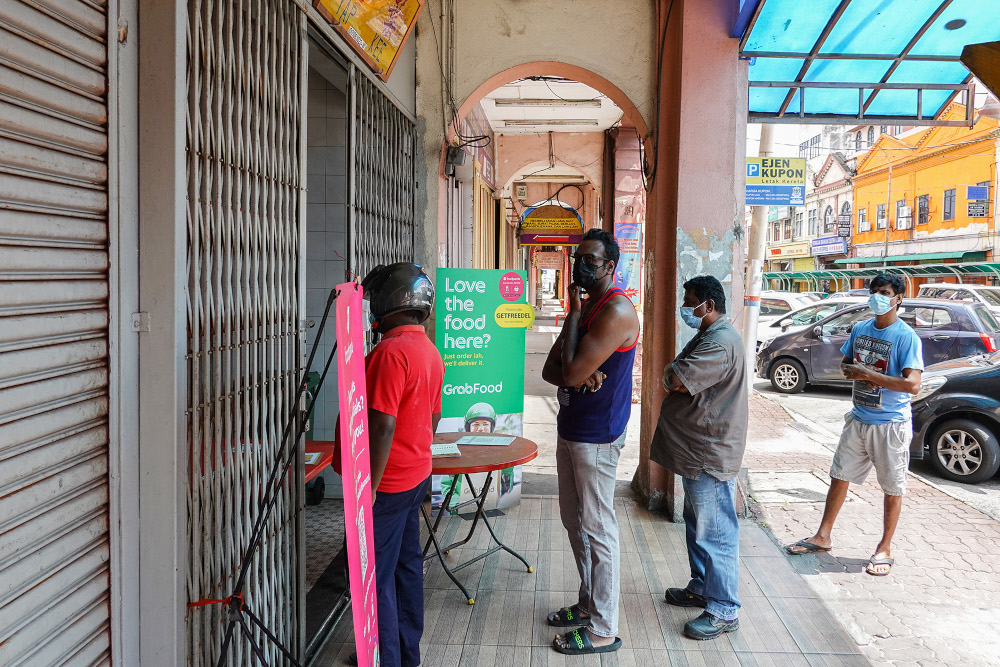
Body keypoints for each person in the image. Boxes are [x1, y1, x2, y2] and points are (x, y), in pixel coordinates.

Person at [542, 228, 640, 656]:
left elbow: (570, 373)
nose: (582, 265)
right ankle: (587, 604)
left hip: (598, 435)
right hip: (571, 426)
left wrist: (579, 366)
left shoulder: (616, 309)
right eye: (577, 257)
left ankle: (602, 629)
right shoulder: (586, 307)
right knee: (573, 522)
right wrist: (574, 319)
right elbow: (553, 372)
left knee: (599, 529)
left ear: (610, 267)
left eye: (591, 260)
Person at [785, 274, 922, 577]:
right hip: (858, 419)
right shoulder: (861, 328)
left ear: (898, 298)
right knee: (839, 476)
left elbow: (913, 385)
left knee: (892, 487)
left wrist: (869, 375)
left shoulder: (905, 336)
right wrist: (850, 370)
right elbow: (846, 362)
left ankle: (884, 548)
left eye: (885, 292)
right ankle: (823, 536)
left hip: (890, 425)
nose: (878, 297)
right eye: (874, 291)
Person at [350, 262, 445, 667]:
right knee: (407, 568)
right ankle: (408, 654)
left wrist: (368, 487)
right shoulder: (428, 350)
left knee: (378, 576)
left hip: (387, 484)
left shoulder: (391, 352)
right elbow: (434, 415)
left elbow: (383, 424)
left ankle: (384, 657)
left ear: (393, 301)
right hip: (415, 477)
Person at [650, 275, 748, 641]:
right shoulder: (711, 334)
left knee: (717, 531)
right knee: (698, 522)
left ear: (708, 305)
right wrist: (669, 372)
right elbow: (675, 372)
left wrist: (668, 374)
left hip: (709, 453)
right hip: (697, 451)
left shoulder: (720, 343)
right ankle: (703, 586)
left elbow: (675, 378)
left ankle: (723, 609)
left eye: (690, 301)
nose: (685, 307)